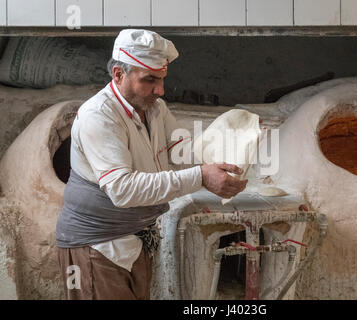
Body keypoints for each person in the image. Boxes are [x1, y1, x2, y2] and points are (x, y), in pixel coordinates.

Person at [55, 29, 247, 300]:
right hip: (95, 246)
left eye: (162, 80)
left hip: (135, 238)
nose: (160, 90)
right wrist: (201, 176)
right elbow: (122, 189)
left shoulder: (155, 108)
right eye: (150, 80)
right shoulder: (98, 117)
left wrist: (238, 140)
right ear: (119, 75)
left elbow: (182, 152)